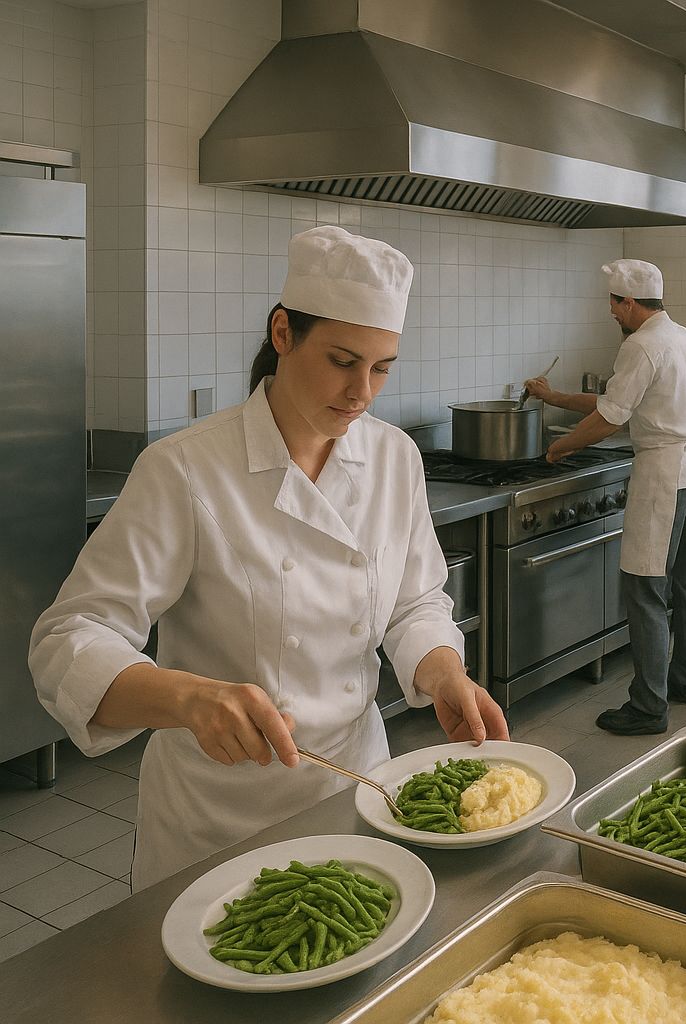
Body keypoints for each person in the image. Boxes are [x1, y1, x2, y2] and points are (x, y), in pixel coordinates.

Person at [30, 225, 508, 890]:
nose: (363, 392)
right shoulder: (187, 470)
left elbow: (415, 601)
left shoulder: (394, 458)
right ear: (283, 333)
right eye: (343, 361)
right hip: (216, 823)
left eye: (381, 368)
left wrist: (444, 671)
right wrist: (187, 697)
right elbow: (67, 640)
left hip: (355, 793)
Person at [523, 259, 686, 735]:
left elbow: (611, 418)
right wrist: (556, 399)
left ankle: (649, 707)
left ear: (629, 302)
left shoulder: (641, 345)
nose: (611, 313)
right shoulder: (681, 336)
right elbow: (620, 400)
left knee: (646, 591)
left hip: (664, 478)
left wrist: (562, 445)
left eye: (614, 304)